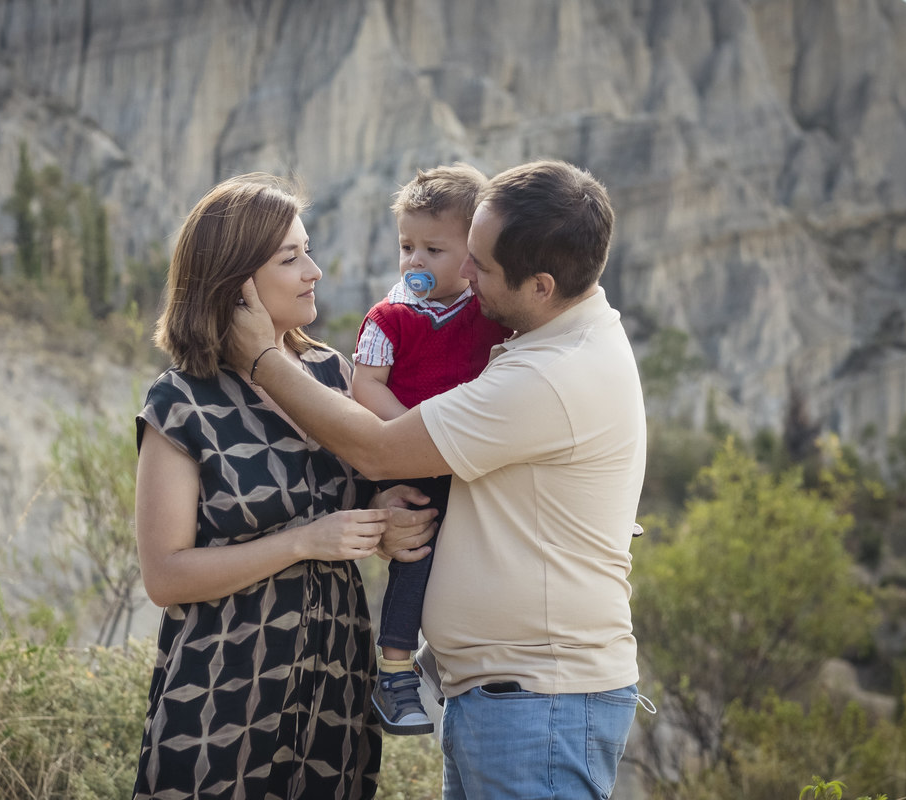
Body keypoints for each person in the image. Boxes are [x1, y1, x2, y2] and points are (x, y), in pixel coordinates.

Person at [229, 159, 647, 800]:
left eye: (479, 264)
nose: (464, 275)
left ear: (540, 285)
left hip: (537, 708)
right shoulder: (559, 339)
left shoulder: (546, 376)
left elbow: (379, 450)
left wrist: (261, 356)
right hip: (513, 701)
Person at [132, 173, 436, 800]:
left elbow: (354, 501)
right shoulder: (183, 398)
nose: (315, 271)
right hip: (221, 693)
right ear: (234, 281)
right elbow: (165, 575)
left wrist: (382, 518)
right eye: (290, 258)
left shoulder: (331, 373)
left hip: (336, 688)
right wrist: (303, 541)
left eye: (309, 250)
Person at [352, 163, 510, 736]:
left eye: (432, 249)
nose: (414, 260)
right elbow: (364, 386)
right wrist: (416, 432)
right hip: (407, 456)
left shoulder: (487, 312)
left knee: (475, 554)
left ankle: (442, 657)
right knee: (414, 558)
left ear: (472, 255)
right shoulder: (390, 318)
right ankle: (394, 675)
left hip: (465, 457)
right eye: (406, 246)